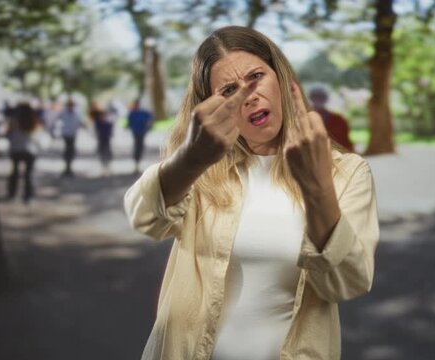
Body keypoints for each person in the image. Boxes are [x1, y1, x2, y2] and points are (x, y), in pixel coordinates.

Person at [124, 26, 379, 360]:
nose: (249, 96)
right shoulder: (203, 168)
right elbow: (144, 218)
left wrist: (317, 187)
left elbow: (347, 282)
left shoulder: (347, 172)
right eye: (229, 90)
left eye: (256, 76)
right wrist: (190, 158)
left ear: (283, 78)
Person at [6, 103, 41, 203]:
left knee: (15, 172)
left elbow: (8, 134)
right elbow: (37, 136)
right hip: (30, 150)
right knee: (29, 174)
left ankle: (12, 193)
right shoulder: (33, 121)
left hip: (16, 149)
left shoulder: (13, 121)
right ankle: (28, 196)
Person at [309, 87, 355, 152]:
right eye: (316, 97)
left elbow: (347, 143)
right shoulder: (305, 120)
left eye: (320, 97)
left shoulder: (339, 120)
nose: (318, 100)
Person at [54, 99, 84, 177]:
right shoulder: (63, 112)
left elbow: (80, 122)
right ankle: (67, 167)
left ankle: (69, 167)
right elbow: (57, 119)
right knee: (68, 149)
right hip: (66, 133)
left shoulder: (77, 112)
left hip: (72, 134)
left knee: (70, 150)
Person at [127, 99, 153, 173]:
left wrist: (149, 124)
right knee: (137, 146)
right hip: (136, 132)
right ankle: (136, 162)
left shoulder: (143, 112)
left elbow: (151, 116)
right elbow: (129, 122)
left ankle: (138, 162)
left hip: (141, 132)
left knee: (140, 146)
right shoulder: (132, 113)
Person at [89, 102, 114, 176]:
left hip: (106, 139)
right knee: (102, 153)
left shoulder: (107, 122)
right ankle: (104, 168)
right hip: (101, 139)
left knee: (107, 153)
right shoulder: (98, 122)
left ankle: (107, 167)